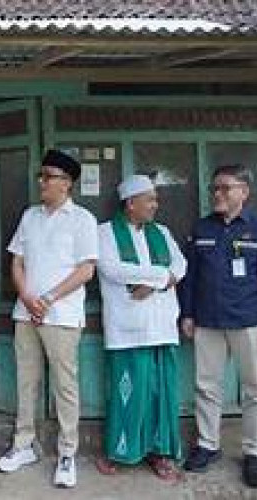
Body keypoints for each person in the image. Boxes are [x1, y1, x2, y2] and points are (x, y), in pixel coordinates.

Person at [0, 149, 98, 488]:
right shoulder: (30, 216)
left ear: (67, 183)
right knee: (27, 381)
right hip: (26, 314)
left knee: (64, 386)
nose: (42, 181)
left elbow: (86, 270)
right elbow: (17, 262)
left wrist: (49, 298)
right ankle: (24, 445)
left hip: (63, 315)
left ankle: (67, 452)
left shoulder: (82, 219)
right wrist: (26, 296)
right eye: (41, 175)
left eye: (49, 176)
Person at [96, 174, 186, 481]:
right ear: (130, 204)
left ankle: (161, 454)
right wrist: (162, 278)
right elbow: (111, 268)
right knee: (128, 392)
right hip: (128, 329)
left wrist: (153, 283)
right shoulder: (105, 233)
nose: (155, 205)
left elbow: (181, 265)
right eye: (150, 199)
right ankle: (121, 452)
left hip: (162, 326)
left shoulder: (162, 231)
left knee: (163, 392)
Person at [181, 164, 257, 487]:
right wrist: (186, 314)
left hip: (248, 320)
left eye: (226, 188)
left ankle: (253, 451)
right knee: (207, 385)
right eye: (215, 188)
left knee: (254, 389)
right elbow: (189, 277)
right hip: (208, 320)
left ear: (244, 192)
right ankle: (208, 445)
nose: (218, 194)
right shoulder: (202, 228)